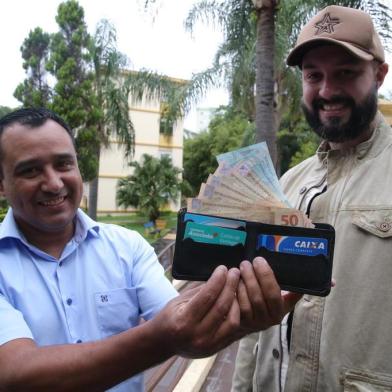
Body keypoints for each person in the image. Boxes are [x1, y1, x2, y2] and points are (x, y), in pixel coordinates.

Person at [0, 108, 301, 391]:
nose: (53, 183)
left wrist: (237, 318)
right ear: (2, 184)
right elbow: (15, 373)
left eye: (63, 164)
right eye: (30, 171)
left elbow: (186, 326)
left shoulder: (127, 247)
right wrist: (163, 337)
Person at [232, 5, 392, 391]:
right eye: (313, 75)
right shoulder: (288, 182)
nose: (327, 90)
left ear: (379, 74)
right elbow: (254, 330)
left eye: (345, 73)